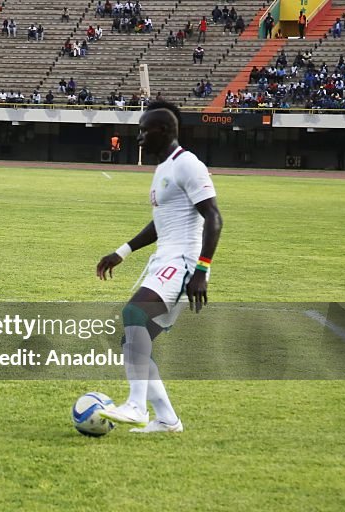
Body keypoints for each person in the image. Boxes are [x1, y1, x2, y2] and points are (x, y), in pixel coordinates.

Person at [96, 101, 223, 433]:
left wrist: (201, 270)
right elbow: (160, 223)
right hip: (164, 260)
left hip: (183, 263)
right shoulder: (162, 168)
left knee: (133, 314)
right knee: (131, 341)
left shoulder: (188, 165)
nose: (139, 136)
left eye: (144, 130)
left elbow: (214, 216)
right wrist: (122, 251)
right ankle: (167, 419)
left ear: (165, 131)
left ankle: (137, 406)